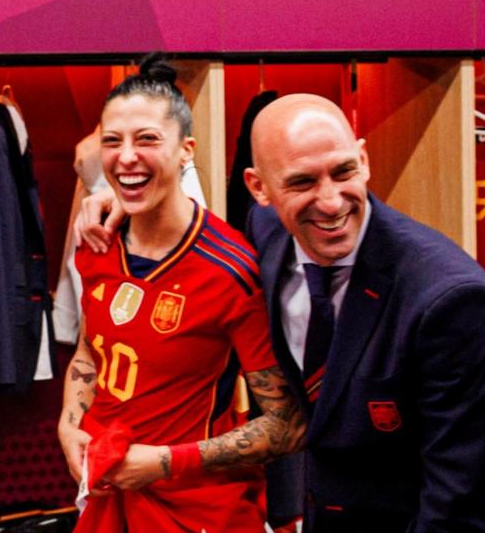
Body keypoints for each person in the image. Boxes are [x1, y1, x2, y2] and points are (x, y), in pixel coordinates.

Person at [77, 93, 485, 532]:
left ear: (364, 161)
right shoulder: (265, 233)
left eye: (344, 172)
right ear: (259, 189)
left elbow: (464, 494)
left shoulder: (452, 301)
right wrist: (118, 201)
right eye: (302, 182)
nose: (329, 202)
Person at [57, 55, 306, 532]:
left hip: (200, 511)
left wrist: (166, 462)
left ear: (185, 150)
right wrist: (69, 425)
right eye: (113, 141)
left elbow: (287, 425)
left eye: (147, 139)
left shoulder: (230, 271)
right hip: (110, 500)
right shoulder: (97, 242)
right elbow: (91, 354)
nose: (126, 156)